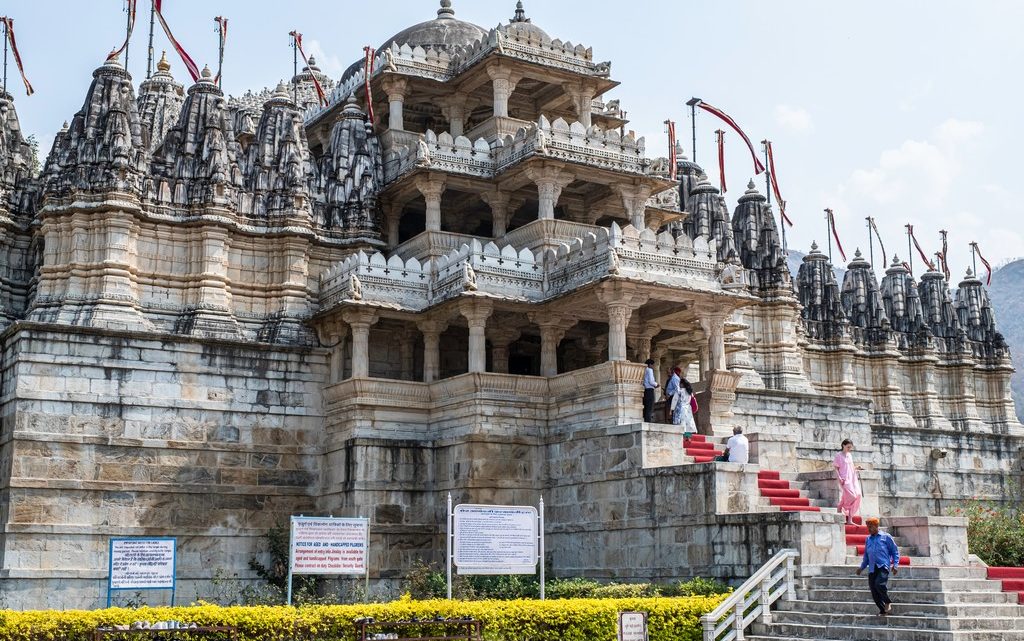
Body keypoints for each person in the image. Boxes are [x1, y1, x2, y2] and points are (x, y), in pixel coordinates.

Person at [855, 517, 899, 615]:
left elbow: (894, 551)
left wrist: (895, 565)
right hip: (872, 567)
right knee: (873, 590)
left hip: (883, 566)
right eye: (868, 527)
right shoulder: (868, 539)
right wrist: (861, 567)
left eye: (870, 527)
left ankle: (887, 601)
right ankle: (882, 610)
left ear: (876, 526)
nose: (869, 529)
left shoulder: (886, 537)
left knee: (879, 584)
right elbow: (866, 555)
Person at [833, 439, 863, 525]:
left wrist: (857, 467)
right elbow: (836, 468)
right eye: (848, 447)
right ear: (843, 445)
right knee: (852, 496)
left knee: (858, 495)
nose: (849, 449)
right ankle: (841, 506)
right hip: (844, 479)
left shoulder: (849, 455)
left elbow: (851, 467)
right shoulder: (838, 455)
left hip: (852, 478)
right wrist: (839, 478)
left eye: (850, 447)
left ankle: (849, 519)